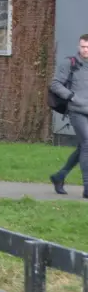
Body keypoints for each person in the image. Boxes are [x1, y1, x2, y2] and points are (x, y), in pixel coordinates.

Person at [49, 35, 88, 196]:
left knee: (83, 148)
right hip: (77, 111)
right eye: (83, 47)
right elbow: (55, 84)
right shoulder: (70, 64)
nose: (85, 50)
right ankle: (87, 186)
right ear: (79, 46)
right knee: (87, 143)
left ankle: (60, 176)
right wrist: (71, 96)